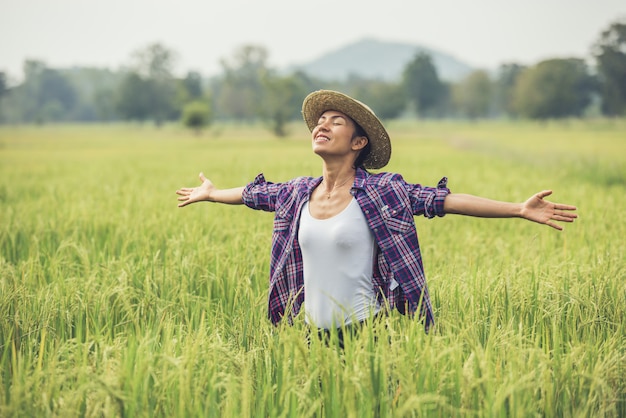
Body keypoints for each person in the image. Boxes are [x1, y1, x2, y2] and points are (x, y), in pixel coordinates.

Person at [175, 90, 577, 336]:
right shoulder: (297, 193)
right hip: (309, 337)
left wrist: (518, 209)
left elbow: (445, 201)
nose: (322, 125)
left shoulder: (384, 192)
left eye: (336, 121)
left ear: (358, 142)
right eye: (319, 121)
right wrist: (211, 194)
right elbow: (253, 193)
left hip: (366, 335)